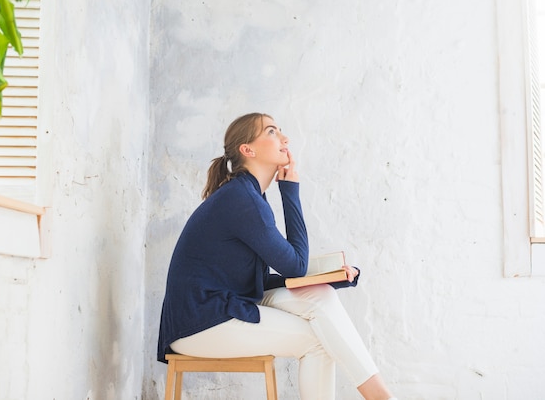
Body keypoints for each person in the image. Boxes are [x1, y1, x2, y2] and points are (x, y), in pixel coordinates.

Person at [157, 113, 397, 400]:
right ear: (248, 150)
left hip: (226, 305)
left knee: (320, 295)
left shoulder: (249, 195)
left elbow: (261, 280)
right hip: (201, 324)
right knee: (319, 342)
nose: (285, 139)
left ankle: (381, 396)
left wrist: (329, 279)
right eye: (272, 132)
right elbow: (295, 266)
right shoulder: (242, 199)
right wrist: (290, 191)